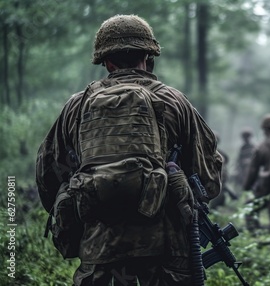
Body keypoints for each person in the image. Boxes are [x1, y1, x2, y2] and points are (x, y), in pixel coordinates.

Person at [36, 15, 222, 286]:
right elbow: (208, 178)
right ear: (148, 56)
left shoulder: (77, 106)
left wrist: (85, 211)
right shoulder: (174, 101)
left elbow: (47, 175)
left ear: (107, 62)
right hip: (166, 249)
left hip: (100, 248)